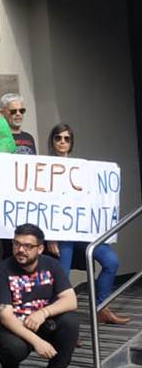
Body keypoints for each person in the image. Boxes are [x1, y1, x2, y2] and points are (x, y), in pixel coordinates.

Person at [46, 124, 127, 324]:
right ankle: (62, 324)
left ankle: (101, 307)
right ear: (52, 141)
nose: (62, 142)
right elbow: (43, 204)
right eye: (58, 138)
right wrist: (50, 235)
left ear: (71, 143)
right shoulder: (45, 167)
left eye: (67, 138)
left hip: (83, 230)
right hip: (62, 232)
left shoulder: (82, 168)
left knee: (111, 261)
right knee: (63, 276)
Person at [0, 224, 79, 368]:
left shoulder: (51, 265)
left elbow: (71, 300)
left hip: (41, 320)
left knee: (70, 322)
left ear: (40, 249)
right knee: (14, 348)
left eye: (27, 246)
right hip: (12, 325)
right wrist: (37, 342)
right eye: (16, 244)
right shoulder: (2, 271)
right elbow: (6, 317)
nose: (20, 250)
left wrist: (43, 313)